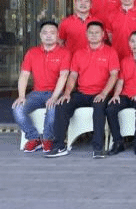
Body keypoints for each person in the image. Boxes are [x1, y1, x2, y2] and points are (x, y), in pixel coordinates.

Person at [45, 21, 119, 158]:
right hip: (81, 92)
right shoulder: (79, 53)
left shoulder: (110, 52)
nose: (94, 35)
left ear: (103, 35)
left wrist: (104, 93)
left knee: (99, 108)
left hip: (100, 93)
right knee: (62, 105)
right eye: (91, 32)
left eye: (97, 32)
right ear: (86, 34)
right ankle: (59, 146)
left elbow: (114, 75)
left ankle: (98, 148)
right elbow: (73, 75)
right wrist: (67, 93)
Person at [13, 21, 71, 153]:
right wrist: (21, 96)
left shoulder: (64, 53)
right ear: (40, 35)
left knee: (52, 108)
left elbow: (64, 76)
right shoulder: (32, 52)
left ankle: (47, 139)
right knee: (17, 108)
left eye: (52, 33)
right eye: (45, 33)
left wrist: (55, 97)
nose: (48, 35)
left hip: (56, 92)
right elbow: (24, 75)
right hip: (37, 93)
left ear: (57, 35)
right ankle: (33, 138)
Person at [105, 31, 136, 155]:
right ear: (129, 43)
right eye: (132, 41)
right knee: (110, 109)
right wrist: (116, 95)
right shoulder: (124, 61)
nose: (135, 44)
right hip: (126, 95)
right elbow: (120, 81)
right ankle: (118, 142)